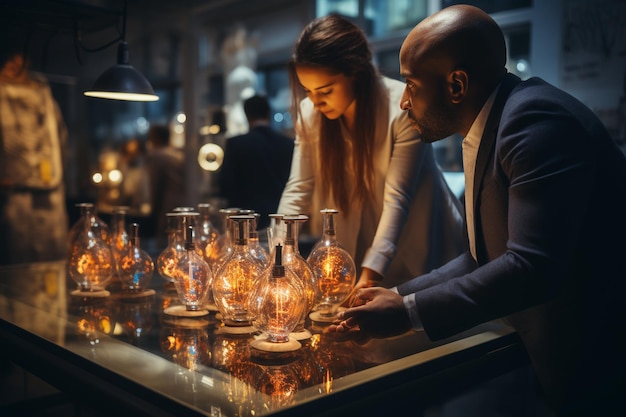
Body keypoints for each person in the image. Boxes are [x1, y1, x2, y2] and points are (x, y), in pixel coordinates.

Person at [329, 5, 626, 416]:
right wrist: (395, 296)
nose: (404, 102)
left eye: (412, 85)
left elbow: (531, 267)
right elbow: (480, 256)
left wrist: (407, 313)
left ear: (457, 85)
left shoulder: (533, 121)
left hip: (601, 361)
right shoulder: (495, 122)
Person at [277, 14, 465, 289]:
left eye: (326, 90)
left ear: (355, 72)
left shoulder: (400, 108)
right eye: (308, 90)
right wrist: (278, 256)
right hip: (359, 252)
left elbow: (397, 199)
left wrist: (369, 276)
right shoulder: (310, 112)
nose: (316, 101)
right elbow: (298, 188)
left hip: (420, 243)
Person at [0, 28, 69, 265]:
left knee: (52, 255)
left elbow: (60, 138)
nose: (14, 64)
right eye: (8, 59)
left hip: (50, 190)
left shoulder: (43, 91)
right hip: (12, 193)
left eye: (18, 58)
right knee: (18, 261)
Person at [219, 95, 294, 229]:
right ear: (268, 113)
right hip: (281, 216)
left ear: (247, 115)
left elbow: (226, 184)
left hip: (246, 220)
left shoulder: (236, 143)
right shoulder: (287, 143)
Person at [145, 124, 185, 240]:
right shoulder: (178, 155)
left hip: (166, 206)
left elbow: (156, 186)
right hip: (182, 202)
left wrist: (153, 211)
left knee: (166, 240)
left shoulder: (157, 156)